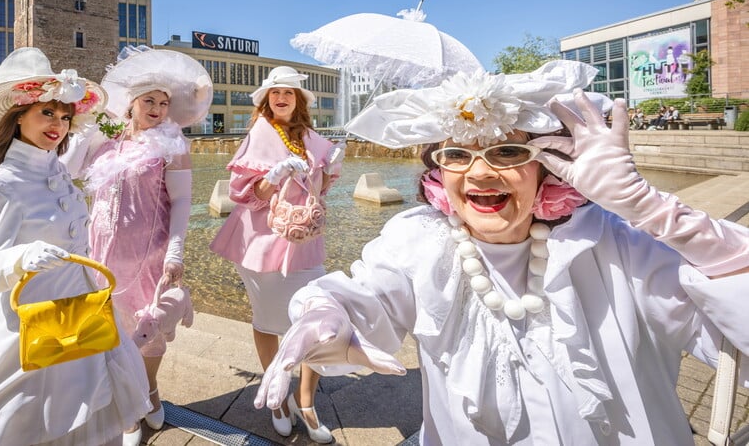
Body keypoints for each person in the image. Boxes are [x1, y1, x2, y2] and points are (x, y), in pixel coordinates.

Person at [255, 60, 749, 445]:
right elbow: (371, 294)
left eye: (507, 153)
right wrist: (325, 314)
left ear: (548, 168)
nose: (480, 173)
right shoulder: (419, 239)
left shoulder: (617, 246)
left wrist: (653, 210)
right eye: (457, 155)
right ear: (436, 173)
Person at [0, 47, 151, 446]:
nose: (58, 124)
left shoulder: (57, 170)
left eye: (65, 116)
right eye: (47, 113)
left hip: (82, 313)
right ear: (19, 117)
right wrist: (23, 256)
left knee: (89, 412)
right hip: (30, 320)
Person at [61, 46, 213, 446]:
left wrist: (176, 251)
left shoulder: (173, 144)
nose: (159, 108)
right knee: (108, 328)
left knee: (149, 327)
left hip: (148, 252)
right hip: (101, 251)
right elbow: (69, 171)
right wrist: (88, 126)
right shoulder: (107, 139)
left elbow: (181, 202)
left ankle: (148, 390)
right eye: (151, 101)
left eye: (164, 103)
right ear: (131, 104)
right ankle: (127, 411)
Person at [210, 66, 346, 443]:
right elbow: (246, 196)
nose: (282, 98)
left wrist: (331, 170)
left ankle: (306, 403)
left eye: (289, 92)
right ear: (267, 100)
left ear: (299, 100)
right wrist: (273, 176)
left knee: (318, 323)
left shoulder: (314, 139)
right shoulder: (259, 136)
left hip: (304, 242)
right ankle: (276, 397)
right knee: (268, 320)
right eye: (275, 93)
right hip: (260, 243)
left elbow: (318, 193)